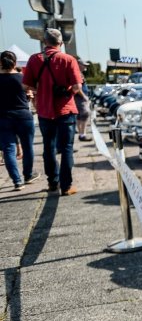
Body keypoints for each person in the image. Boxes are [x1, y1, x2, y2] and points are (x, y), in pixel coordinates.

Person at [21, 28, 86, 196]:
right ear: (61, 43)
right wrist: (67, 92)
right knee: (66, 148)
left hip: (44, 110)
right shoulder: (68, 59)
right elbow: (78, 86)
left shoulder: (34, 59)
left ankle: (52, 182)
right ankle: (66, 186)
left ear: (44, 42)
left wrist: (41, 91)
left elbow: (26, 85)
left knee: (48, 147)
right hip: (65, 109)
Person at [0, 50, 37, 190]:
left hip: (3, 118)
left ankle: (17, 181)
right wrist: (28, 97)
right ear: (15, 63)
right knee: (27, 148)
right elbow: (28, 94)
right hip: (23, 116)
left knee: (8, 149)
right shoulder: (22, 77)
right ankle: (28, 175)